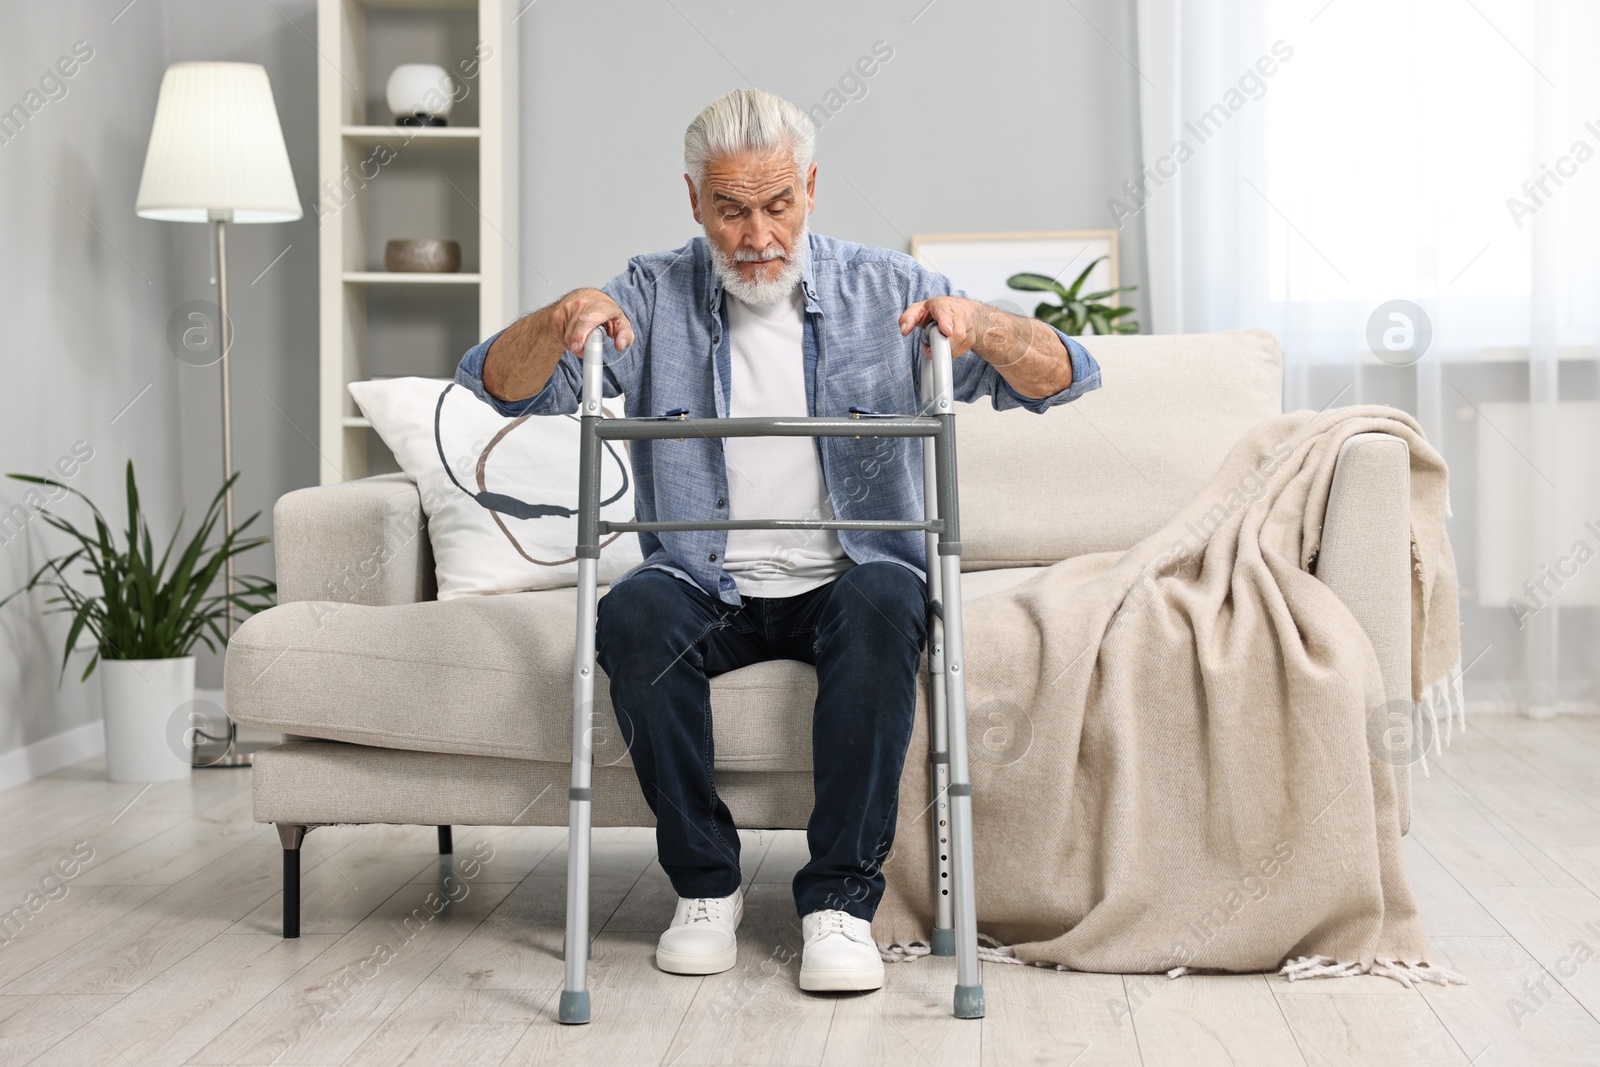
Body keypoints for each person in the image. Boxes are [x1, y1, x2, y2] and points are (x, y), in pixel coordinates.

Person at [454, 87, 1101, 993]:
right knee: (632, 609)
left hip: (845, 583)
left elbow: (1070, 375)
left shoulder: (893, 291)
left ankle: (839, 903)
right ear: (694, 203)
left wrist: (981, 325)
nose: (756, 233)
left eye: (776, 204)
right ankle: (705, 886)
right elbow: (501, 386)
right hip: (705, 588)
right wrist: (562, 315)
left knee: (891, 595)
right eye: (730, 209)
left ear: (810, 187)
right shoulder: (649, 292)